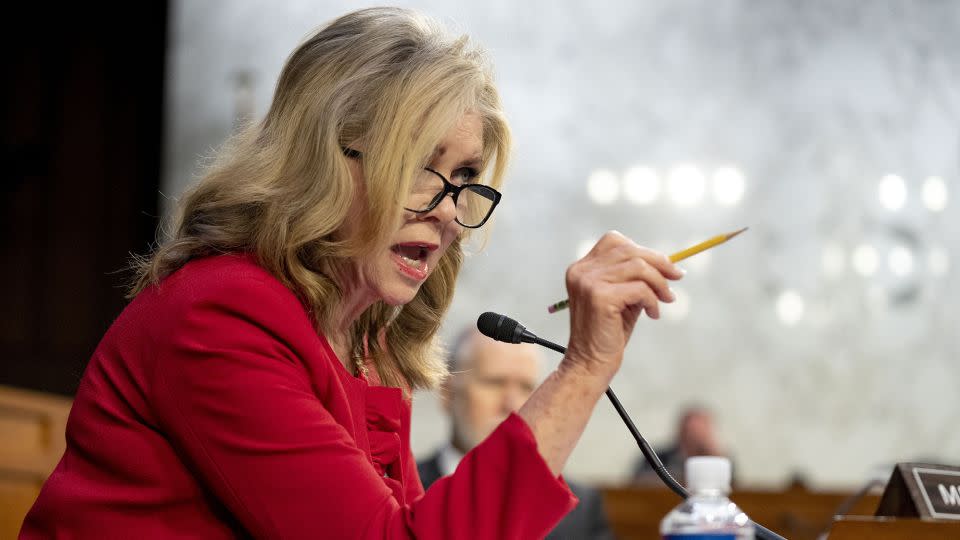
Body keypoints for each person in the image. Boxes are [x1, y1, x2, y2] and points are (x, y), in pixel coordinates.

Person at [21, 7, 683, 539]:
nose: (448, 212)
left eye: (463, 178)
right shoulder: (220, 314)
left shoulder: (362, 337)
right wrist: (583, 370)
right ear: (326, 158)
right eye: (421, 164)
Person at [418, 327, 614, 539]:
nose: (512, 405)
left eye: (526, 387)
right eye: (495, 382)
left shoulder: (579, 510)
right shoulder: (401, 491)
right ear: (448, 393)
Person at [633, 405, 727, 486]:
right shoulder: (657, 456)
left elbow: (733, 487)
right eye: (690, 431)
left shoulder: (721, 459)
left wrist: (714, 456)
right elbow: (638, 483)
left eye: (699, 432)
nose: (693, 437)